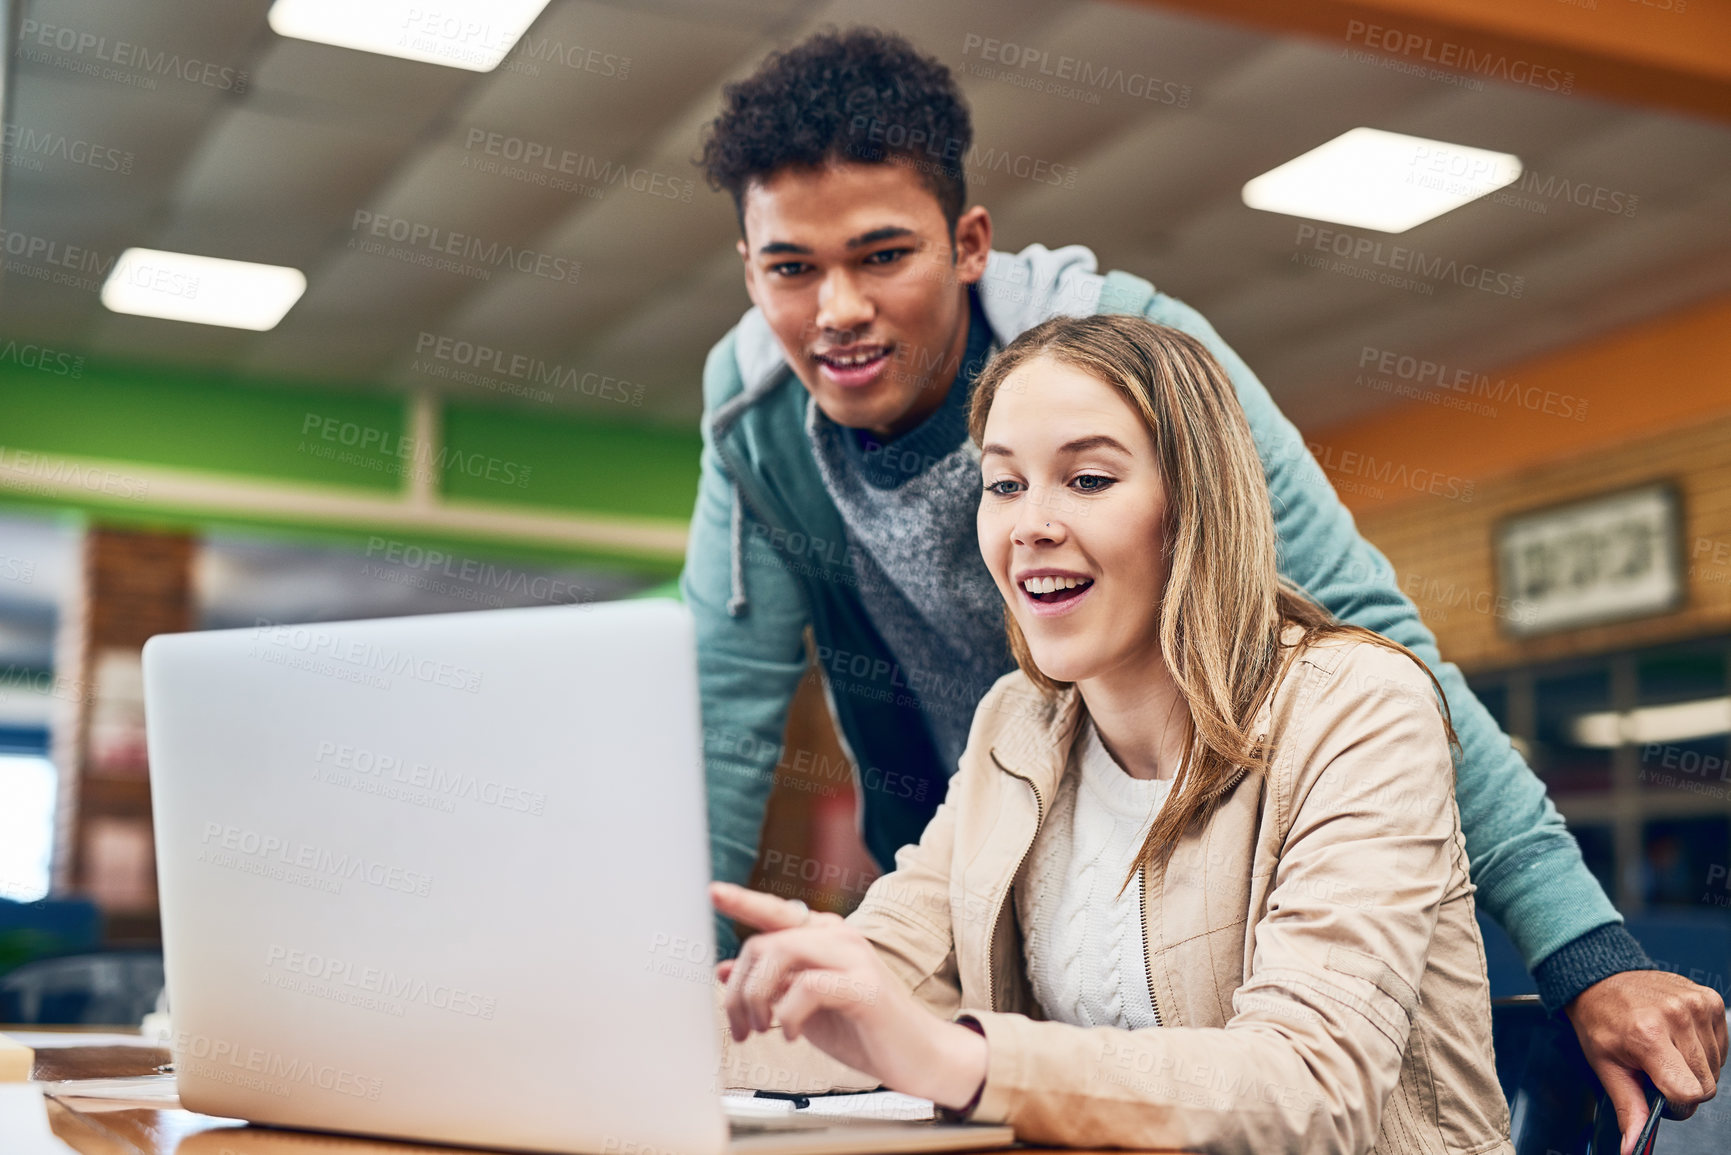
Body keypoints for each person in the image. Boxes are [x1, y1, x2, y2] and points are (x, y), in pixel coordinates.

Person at [680, 26, 1726, 1146]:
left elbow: (1379, 648)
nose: (837, 308)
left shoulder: (1334, 695)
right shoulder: (1006, 726)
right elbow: (717, 718)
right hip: (1025, 816)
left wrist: (1586, 950)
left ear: (969, 244)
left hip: (1234, 816)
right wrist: (640, 997)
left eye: (1086, 477)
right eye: (792, 267)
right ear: (749, 269)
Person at [711, 314, 1511, 1153]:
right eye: (1004, 484)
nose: (1030, 525)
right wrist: (624, 1029)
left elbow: (1312, 1087)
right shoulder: (1014, 723)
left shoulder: (1357, 708)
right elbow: (879, 982)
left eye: (1086, 480)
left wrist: (960, 1059)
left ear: (1193, 503)